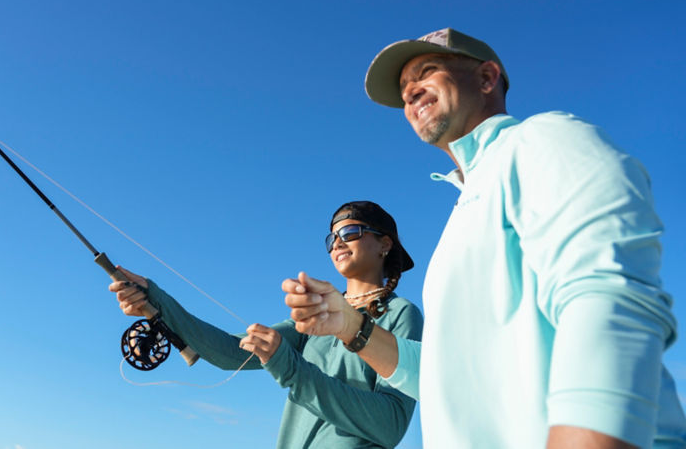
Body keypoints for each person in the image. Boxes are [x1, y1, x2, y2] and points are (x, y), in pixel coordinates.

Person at [283, 28, 686, 448]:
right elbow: (447, 377)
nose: (410, 93)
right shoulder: (462, 214)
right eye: (403, 90)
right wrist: (352, 326)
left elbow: (609, 302)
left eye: (427, 71)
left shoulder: (541, 140)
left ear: (487, 78)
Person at [110, 201, 424, 449]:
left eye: (351, 232)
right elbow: (231, 352)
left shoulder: (401, 314)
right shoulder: (315, 315)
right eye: (331, 238)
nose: (337, 243)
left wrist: (291, 370)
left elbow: (390, 425)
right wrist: (157, 299)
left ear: (385, 243)